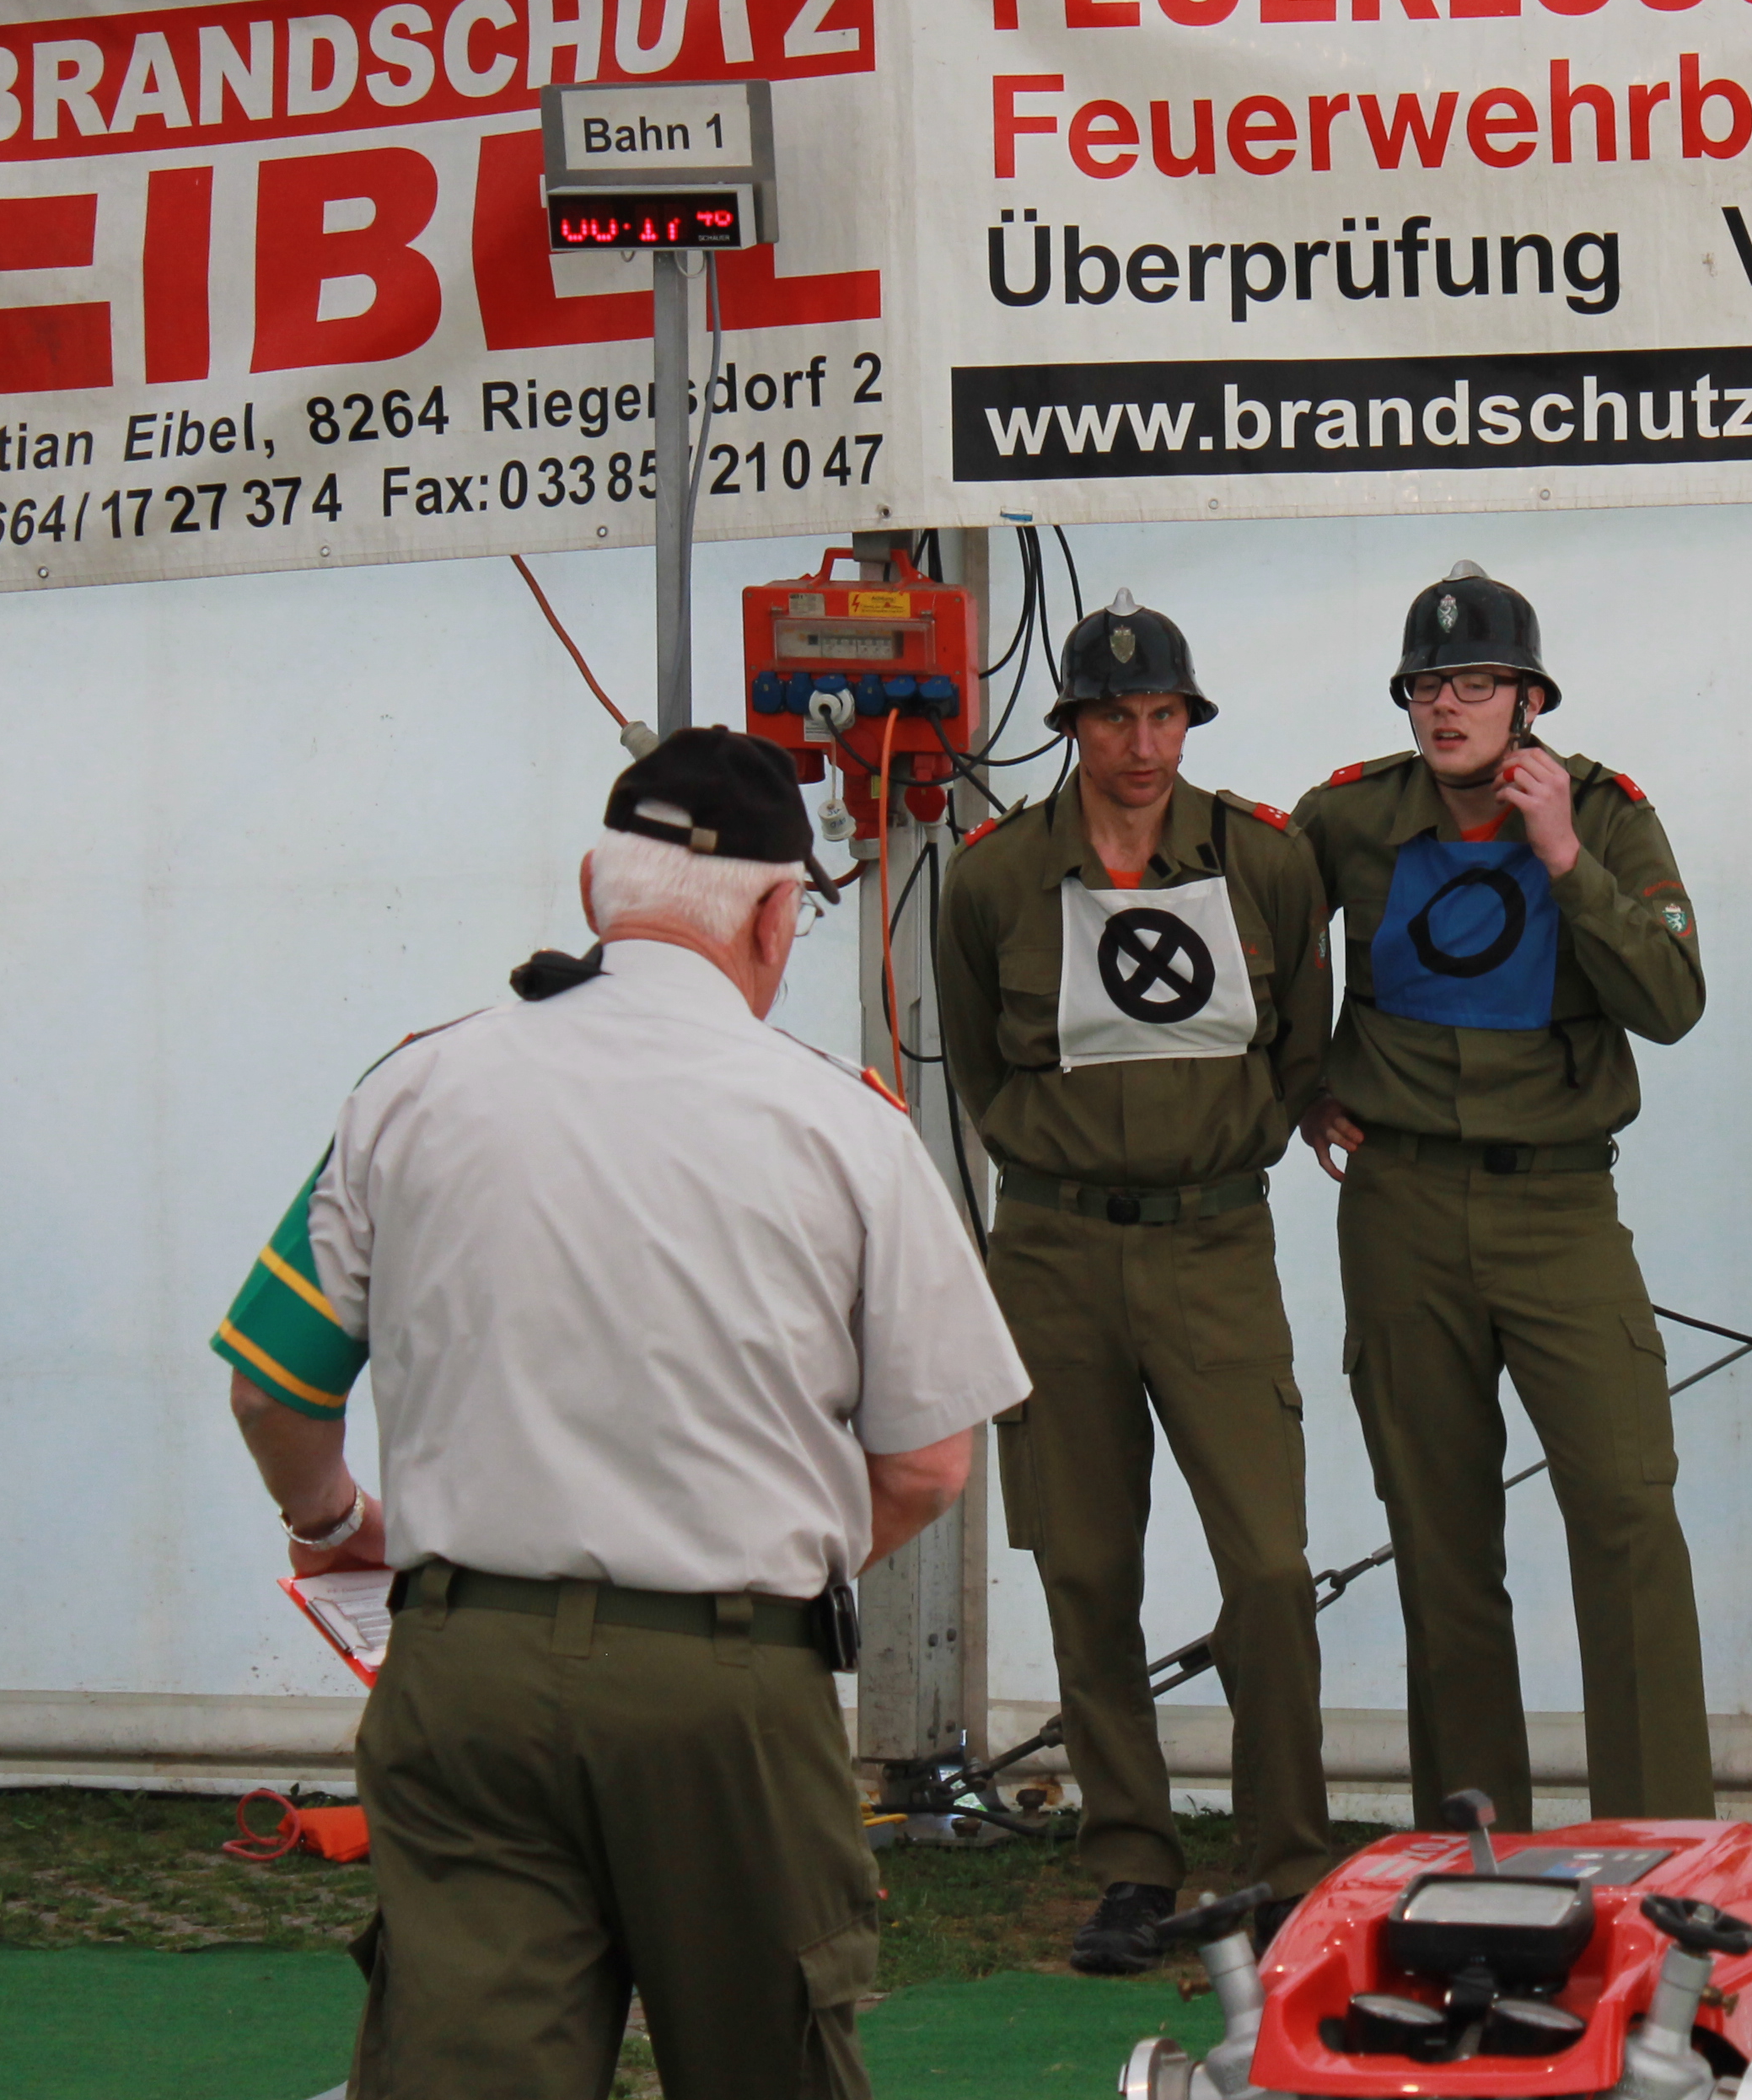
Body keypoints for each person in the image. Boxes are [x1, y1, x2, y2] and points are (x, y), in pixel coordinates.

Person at [213, 728, 1025, 2097]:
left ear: (594, 889)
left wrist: (336, 1517)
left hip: (465, 1665)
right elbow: (930, 1465)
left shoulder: (412, 1086)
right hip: (728, 1684)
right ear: (778, 915)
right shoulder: (849, 1126)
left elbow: (272, 1381)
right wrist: (776, 1560)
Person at [935, 593, 1334, 1974]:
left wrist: (1232, 1149)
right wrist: (1054, 1169)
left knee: (1269, 1564)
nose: (1143, 743)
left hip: (1215, 1243)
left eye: (1164, 714)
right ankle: (1128, 1857)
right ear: (1075, 726)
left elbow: (1301, 1044)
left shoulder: (1265, 861)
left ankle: (1287, 1856)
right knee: (1086, 1562)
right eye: (1115, 717)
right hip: (1053, 1252)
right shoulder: (993, 879)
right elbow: (977, 1068)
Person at [1288, 562, 1712, 1831]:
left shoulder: (1609, 815)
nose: (1446, 705)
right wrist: (1299, 1086)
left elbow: (1673, 1004)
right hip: (1403, 1206)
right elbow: (1254, 951)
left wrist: (1567, 858)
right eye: (1427, 684)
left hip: (1560, 1207)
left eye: (1476, 682)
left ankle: (1658, 1841)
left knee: (1627, 1508)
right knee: (1441, 1537)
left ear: (1529, 698)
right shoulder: (1347, 817)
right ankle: (1477, 1847)